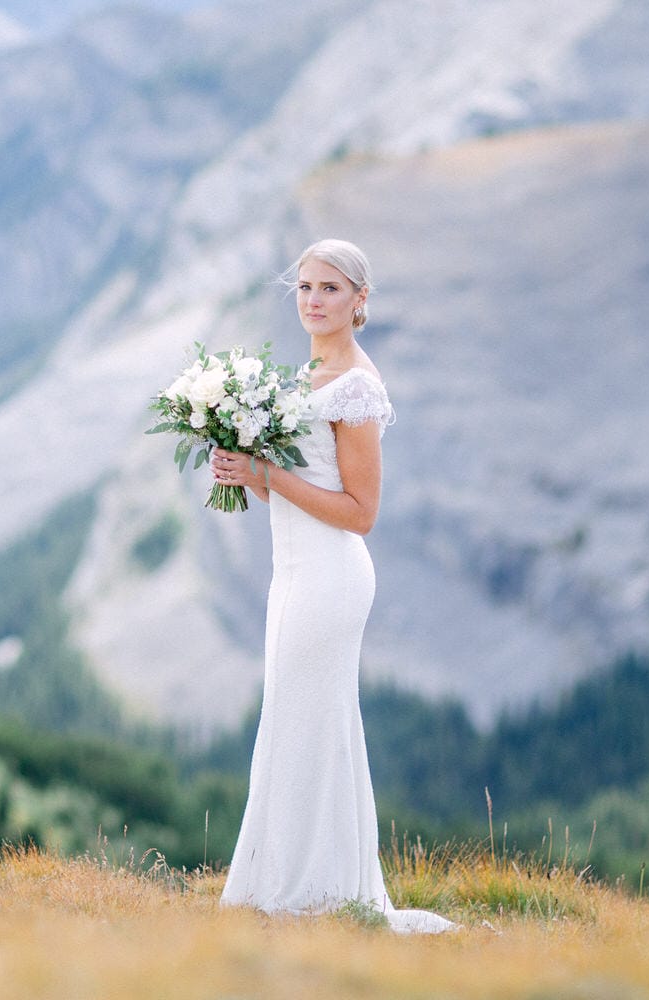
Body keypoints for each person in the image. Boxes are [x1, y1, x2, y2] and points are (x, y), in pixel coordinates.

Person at [210, 239, 457, 934]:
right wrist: (244, 473)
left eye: (330, 289)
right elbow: (290, 491)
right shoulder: (309, 371)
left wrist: (269, 476)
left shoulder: (356, 386)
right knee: (298, 723)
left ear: (360, 301)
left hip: (330, 577)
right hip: (292, 573)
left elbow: (361, 513)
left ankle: (301, 892)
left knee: (305, 723)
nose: (313, 300)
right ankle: (293, 883)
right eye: (306, 288)